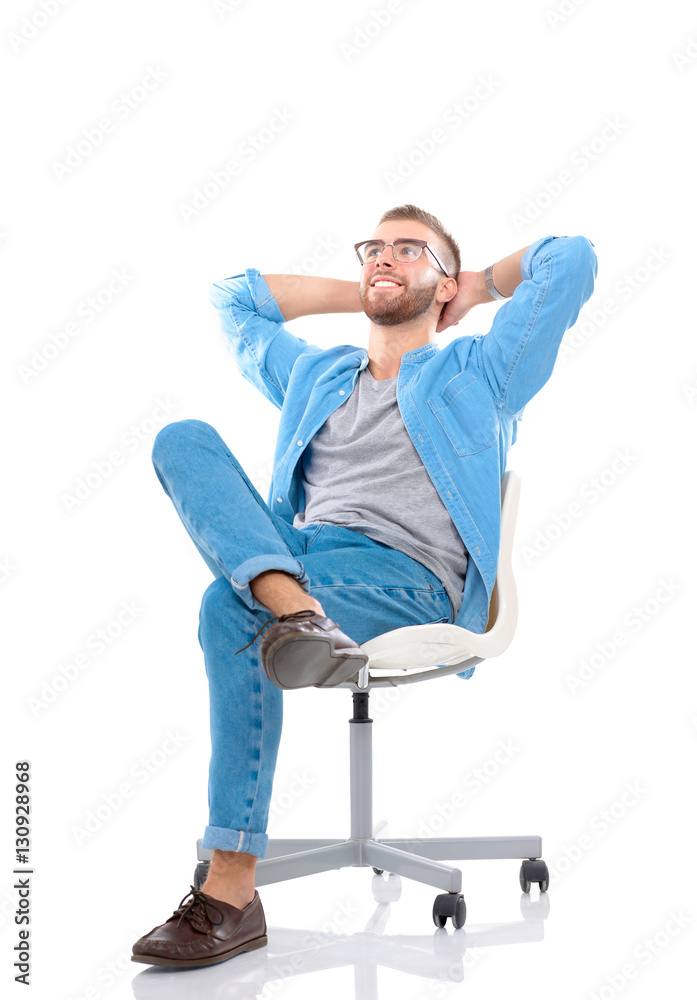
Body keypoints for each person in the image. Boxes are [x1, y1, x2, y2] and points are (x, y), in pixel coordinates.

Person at [131, 204, 597, 968]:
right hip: (304, 558)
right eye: (372, 249)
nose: (384, 256)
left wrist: (472, 287)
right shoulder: (315, 374)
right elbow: (232, 300)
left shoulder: (479, 370)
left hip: (408, 579)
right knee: (180, 439)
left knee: (226, 604)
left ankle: (231, 890)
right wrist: (375, 290)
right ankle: (297, 613)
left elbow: (569, 258)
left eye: (410, 249)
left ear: (443, 279)